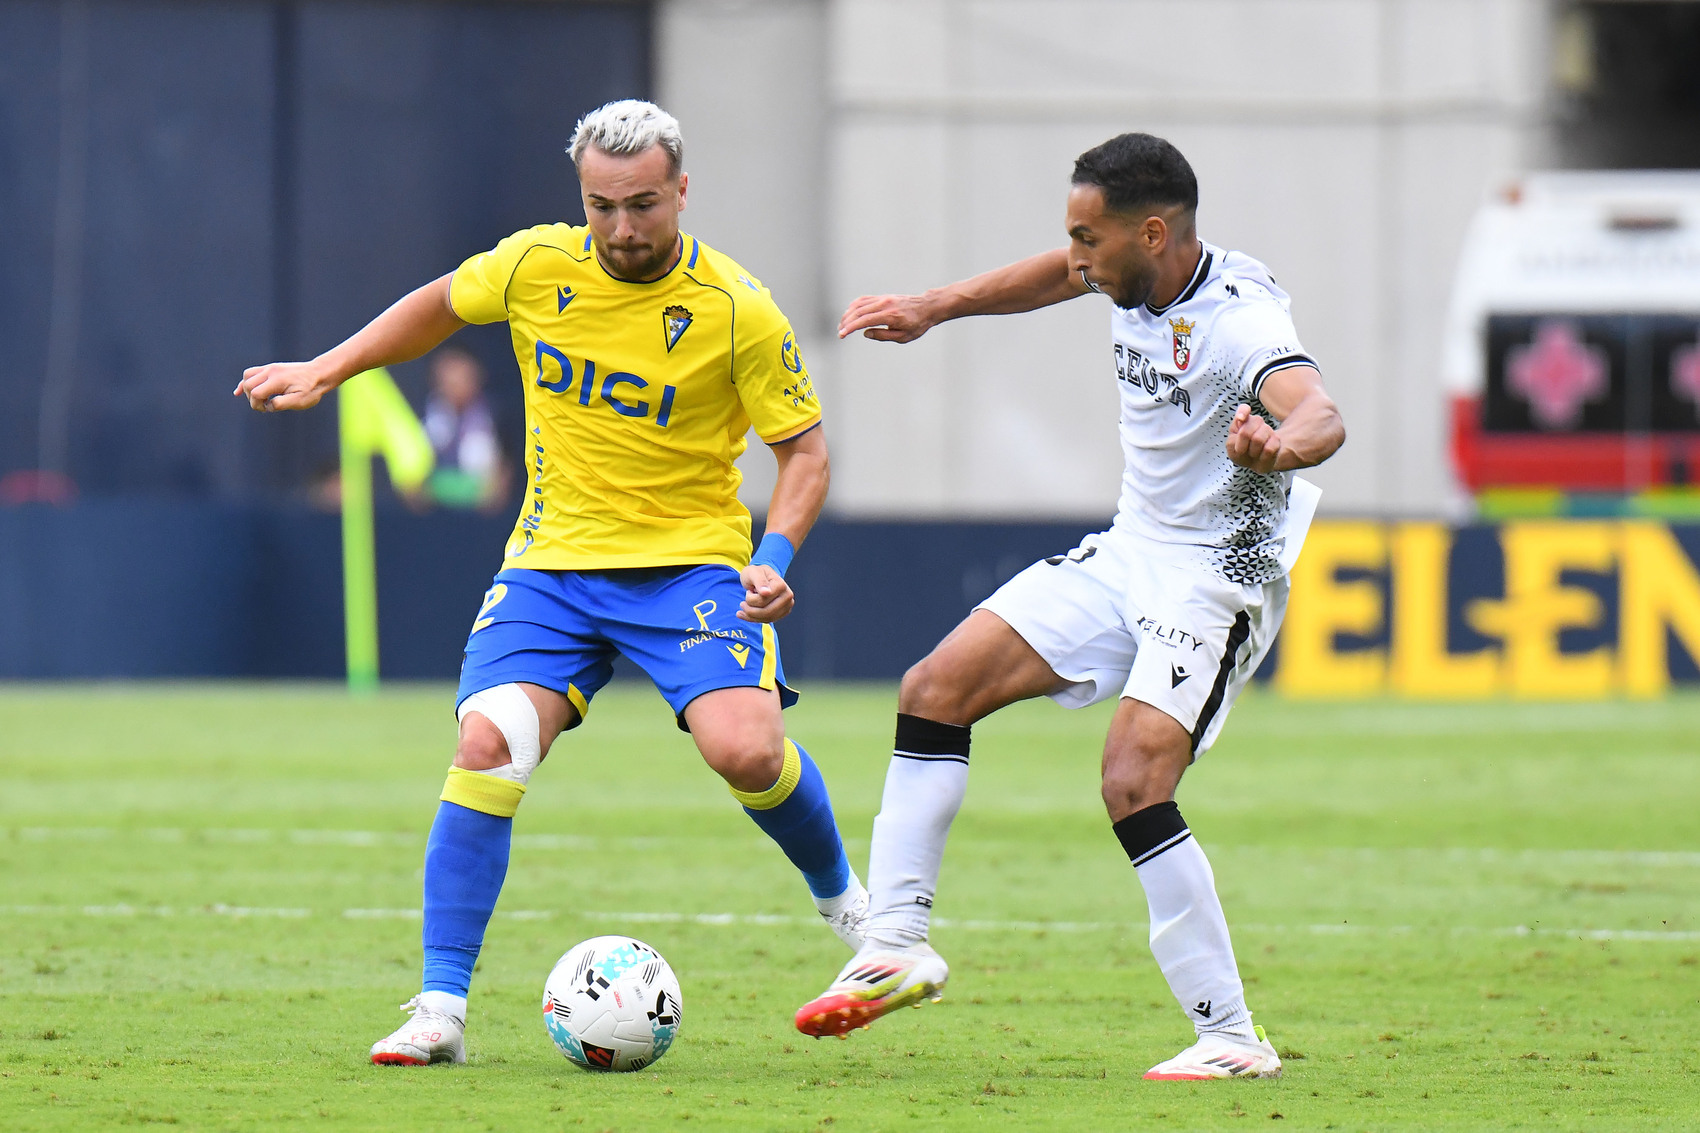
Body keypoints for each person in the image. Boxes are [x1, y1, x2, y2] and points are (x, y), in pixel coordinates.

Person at [236, 99, 868, 1067]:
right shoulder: (536, 265)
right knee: (486, 741)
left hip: (690, 570)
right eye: (601, 205)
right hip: (553, 567)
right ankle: (440, 1009)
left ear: (682, 192)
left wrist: (772, 559)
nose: (620, 228)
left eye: (642, 205)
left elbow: (806, 453)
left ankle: (851, 910)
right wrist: (332, 368)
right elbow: (439, 305)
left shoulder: (738, 308)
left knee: (745, 750)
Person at [793, 132, 1345, 1081]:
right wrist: (934, 305)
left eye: (1090, 238)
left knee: (1133, 780)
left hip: (1217, 579)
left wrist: (1279, 446)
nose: (1078, 257)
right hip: (1131, 551)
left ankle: (1229, 1035)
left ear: (1153, 233)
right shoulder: (1127, 272)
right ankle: (896, 943)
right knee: (934, 687)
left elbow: (1320, 412)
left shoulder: (1238, 321)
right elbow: (1053, 275)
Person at [421, 346, 510, 511]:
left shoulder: (494, 415)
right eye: (448, 381)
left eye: (460, 380)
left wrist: (495, 496)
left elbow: (506, 465)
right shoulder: (425, 414)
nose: (454, 387)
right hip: (434, 509)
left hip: (479, 508)